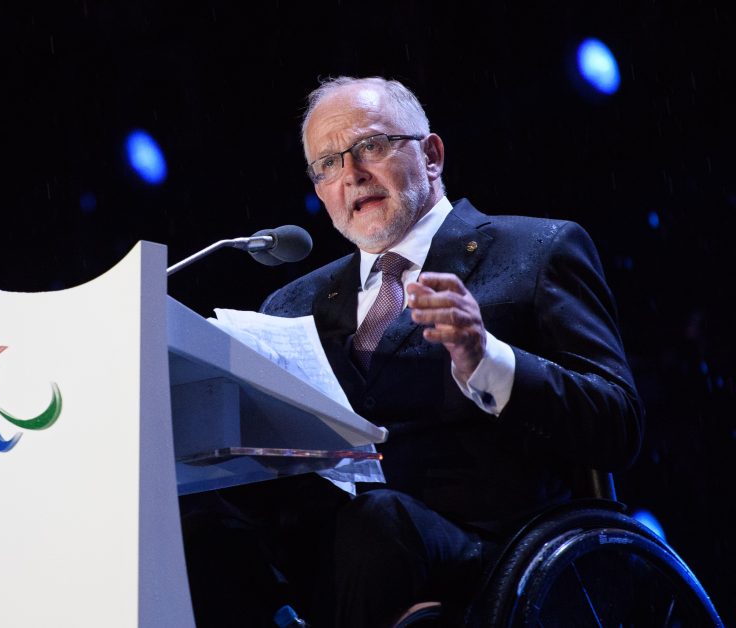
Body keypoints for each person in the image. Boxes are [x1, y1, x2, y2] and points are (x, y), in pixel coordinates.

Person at [254, 76, 644, 626]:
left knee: (377, 522)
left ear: (431, 154)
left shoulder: (536, 251)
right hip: (321, 548)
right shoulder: (291, 304)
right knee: (197, 528)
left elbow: (617, 423)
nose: (351, 174)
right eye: (328, 164)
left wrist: (487, 358)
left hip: (491, 553)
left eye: (370, 146)